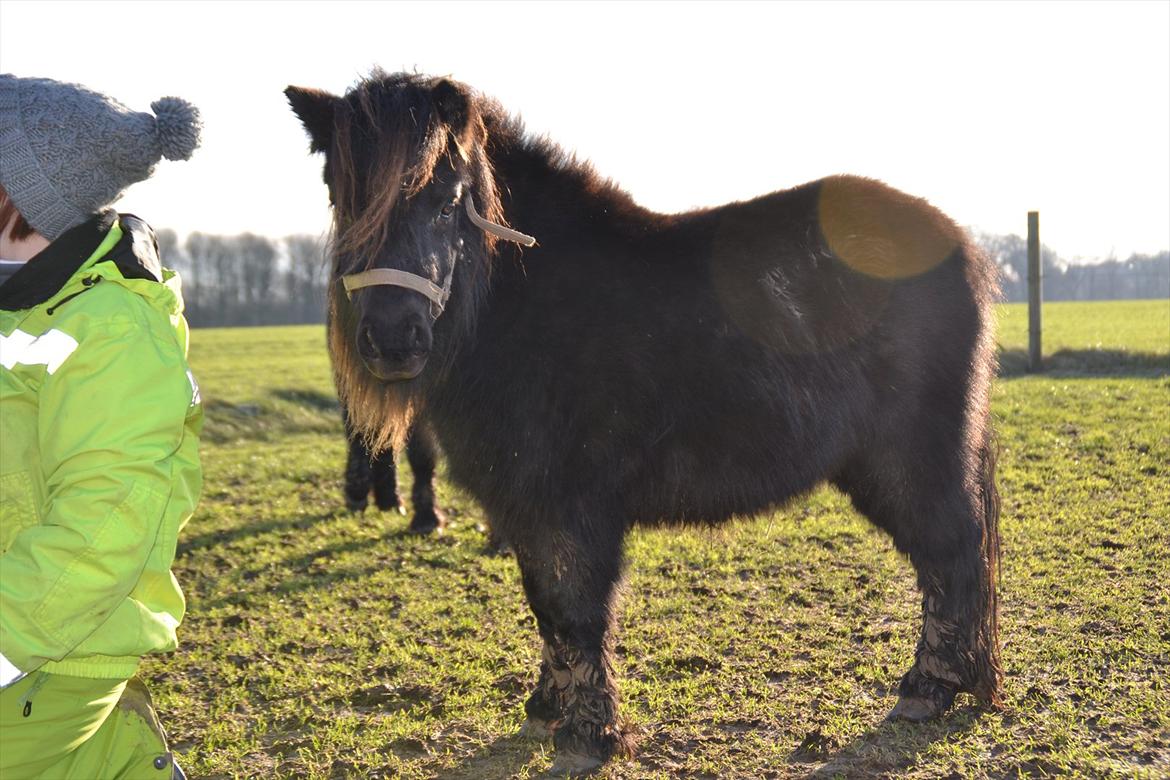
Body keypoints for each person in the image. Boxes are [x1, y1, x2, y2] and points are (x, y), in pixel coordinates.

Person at [0, 74, 203, 779]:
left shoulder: (110, 328)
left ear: (18, 196)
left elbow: (108, 513)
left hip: (49, 647)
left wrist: (4, 641)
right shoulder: (20, 306)